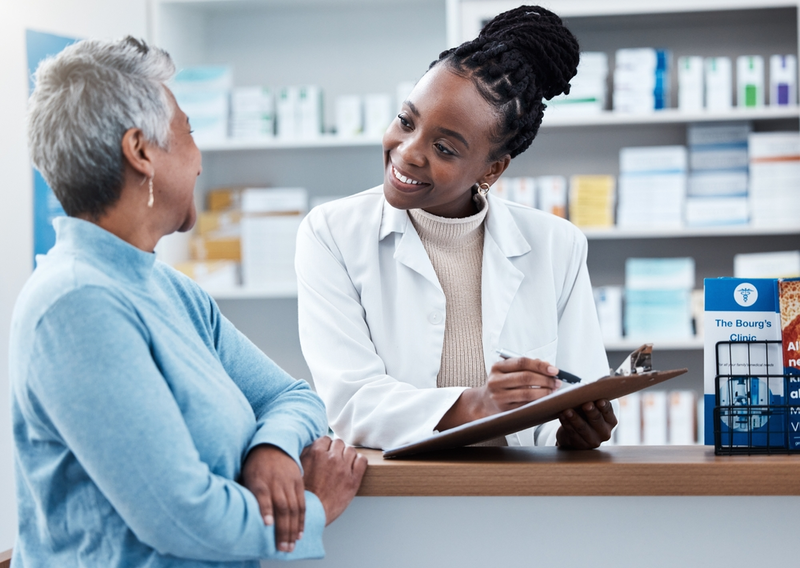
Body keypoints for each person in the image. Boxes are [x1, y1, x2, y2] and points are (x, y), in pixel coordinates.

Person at [10, 36, 366, 567]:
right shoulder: (76, 304)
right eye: (189, 133)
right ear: (141, 151)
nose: (199, 160)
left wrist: (271, 449)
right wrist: (313, 509)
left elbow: (294, 397)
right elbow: (184, 517)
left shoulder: (167, 289)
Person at [296, 5, 617, 450]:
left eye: (444, 147)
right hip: (395, 500)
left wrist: (577, 432)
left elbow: (575, 393)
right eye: (407, 121)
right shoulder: (331, 233)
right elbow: (352, 403)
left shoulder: (557, 245)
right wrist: (478, 404)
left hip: (523, 501)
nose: (407, 152)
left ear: (493, 169)